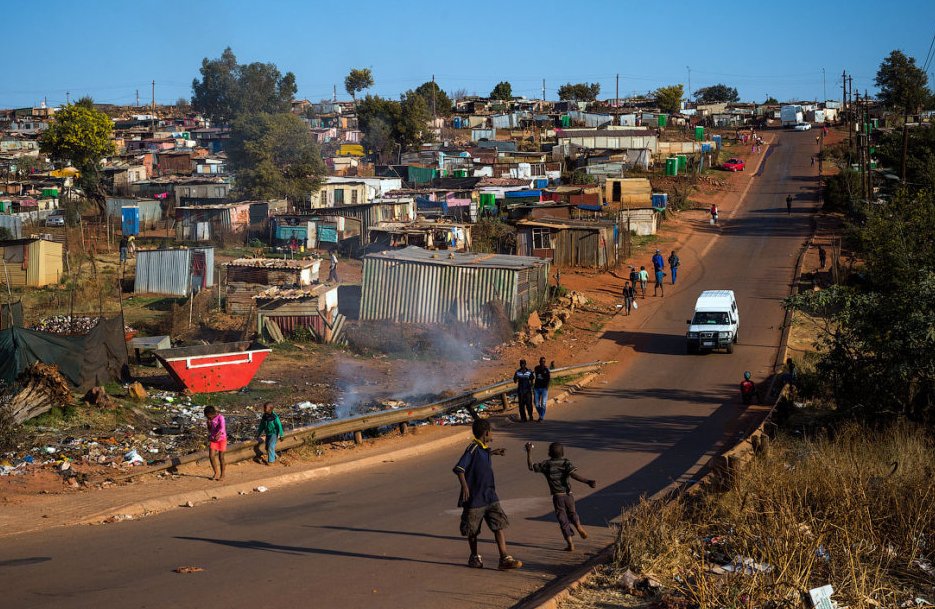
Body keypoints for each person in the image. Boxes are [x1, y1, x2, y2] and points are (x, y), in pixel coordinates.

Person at [454, 419, 522, 570]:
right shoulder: (472, 448)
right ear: (486, 433)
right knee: (472, 530)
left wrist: (494, 452)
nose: (492, 433)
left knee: (498, 525)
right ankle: (474, 557)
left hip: (490, 495)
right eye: (491, 431)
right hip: (475, 498)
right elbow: (459, 468)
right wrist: (465, 487)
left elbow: (481, 458)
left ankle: (504, 557)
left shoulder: (483, 448)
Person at [525, 442, 596, 551]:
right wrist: (588, 481)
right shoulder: (566, 463)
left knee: (563, 519)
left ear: (549, 453)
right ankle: (579, 526)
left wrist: (529, 451)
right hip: (568, 495)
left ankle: (570, 544)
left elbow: (531, 467)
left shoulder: (547, 464)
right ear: (563, 453)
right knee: (572, 513)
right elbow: (573, 475)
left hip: (557, 497)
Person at [204, 406, 227, 481]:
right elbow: (210, 430)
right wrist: (209, 424)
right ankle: (216, 472)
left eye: (209, 417)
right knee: (211, 456)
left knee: (221, 457)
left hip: (222, 439)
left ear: (212, 414)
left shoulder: (221, 417)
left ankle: (222, 474)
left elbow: (222, 427)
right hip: (214, 439)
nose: (208, 418)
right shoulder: (210, 419)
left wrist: (219, 433)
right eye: (207, 417)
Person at [533, 357, 551, 422]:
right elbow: (534, 376)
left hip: (544, 389)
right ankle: (541, 414)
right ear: (539, 361)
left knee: (543, 403)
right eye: (541, 361)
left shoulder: (547, 369)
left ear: (545, 362)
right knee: (536, 403)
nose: (542, 362)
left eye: (544, 361)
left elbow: (549, 379)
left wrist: (547, 387)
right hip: (537, 388)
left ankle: (541, 417)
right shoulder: (536, 368)